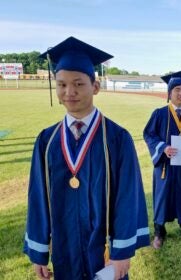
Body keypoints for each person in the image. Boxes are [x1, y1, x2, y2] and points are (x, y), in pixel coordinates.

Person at [23, 37, 150, 280]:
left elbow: (128, 196)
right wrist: (38, 251)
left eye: (78, 83)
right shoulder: (46, 141)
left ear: (96, 86)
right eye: (61, 85)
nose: (69, 92)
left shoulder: (117, 139)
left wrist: (122, 252)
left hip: (105, 252)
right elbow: (37, 197)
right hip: (64, 250)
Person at [143, 71, 181, 249]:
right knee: (161, 198)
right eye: (177, 89)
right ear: (169, 93)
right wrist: (163, 148)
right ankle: (159, 232)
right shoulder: (159, 114)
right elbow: (149, 135)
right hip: (165, 167)